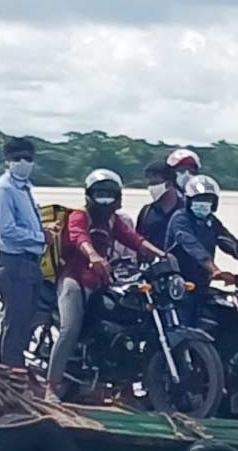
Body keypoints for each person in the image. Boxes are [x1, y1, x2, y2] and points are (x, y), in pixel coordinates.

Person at [48, 168, 165, 394]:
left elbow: (134, 239)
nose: (104, 199)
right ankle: (51, 387)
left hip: (102, 282)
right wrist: (92, 255)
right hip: (74, 281)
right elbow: (78, 237)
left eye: (109, 195)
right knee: (70, 328)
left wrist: (161, 255)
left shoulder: (113, 221)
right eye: (100, 194)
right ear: (89, 195)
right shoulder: (79, 216)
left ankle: (124, 389)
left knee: (125, 324)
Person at [0, 136, 47, 386]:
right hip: (13, 263)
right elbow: (6, 230)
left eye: (28, 158)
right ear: (7, 161)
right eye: (17, 158)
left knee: (26, 320)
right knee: (15, 321)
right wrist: (42, 237)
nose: (23, 162)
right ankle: (7, 378)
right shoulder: (3, 189)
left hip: (30, 263)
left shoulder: (25, 189)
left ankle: (15, 371)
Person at [164, 174, 229, 289]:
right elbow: (192, 246)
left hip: (202, 282)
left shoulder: (211, 221)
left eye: (207, 199)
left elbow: (228, 241)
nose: (203, 203)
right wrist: (214, 269)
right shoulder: (180, 219)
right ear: (189, 200)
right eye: (198, 199)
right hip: (178, 283)